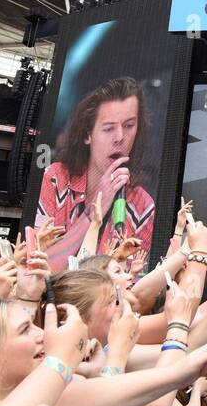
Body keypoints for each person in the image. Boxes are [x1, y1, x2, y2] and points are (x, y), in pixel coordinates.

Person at [38, 77, 156, 271]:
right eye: (109, 128)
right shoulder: (54, 179)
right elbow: (41, 267)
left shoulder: (143, 207)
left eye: (129, 126)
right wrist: (91, 213)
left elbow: (131, 284)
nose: (120, 138)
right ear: (87, 135)